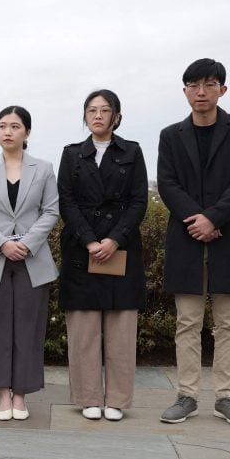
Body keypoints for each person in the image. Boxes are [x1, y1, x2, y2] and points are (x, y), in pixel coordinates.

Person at [157, 58, 230, 427]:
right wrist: (196, 220)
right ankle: (187, 395)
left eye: (209, 84)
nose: (201, 92)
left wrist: (214, 218)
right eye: (194, 85)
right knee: (187, 321)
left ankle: (226, 397)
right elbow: (167, 184)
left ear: (222, 89)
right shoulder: (171, 135)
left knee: (229, 323)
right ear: (184, 90)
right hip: (186, 238)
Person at [57, 90, 148, 421]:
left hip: (120, 248)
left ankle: (118, 400)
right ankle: (87, 397)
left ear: (116, 116)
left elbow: (140, 201)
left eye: (104, 110)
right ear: (84, 116)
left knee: (122, 329)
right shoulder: (72, 154)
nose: (97, 115)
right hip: (82, 250)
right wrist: (89, 239)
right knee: (84, 330)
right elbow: (65, 200)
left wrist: (114, 239)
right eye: (91, 110)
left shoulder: (132, 152)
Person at [0, 106, 59, 421]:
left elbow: (50, 211)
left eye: (15, 126)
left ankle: (21, 395)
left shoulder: (44, 169)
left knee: (29, 329)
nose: (8, 131)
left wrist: (26, 243)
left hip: (33, 260)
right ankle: (2, 394)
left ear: (27, 133)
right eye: (2, 126)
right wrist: (3, 243)